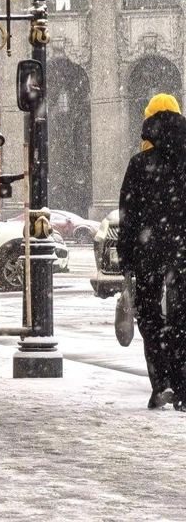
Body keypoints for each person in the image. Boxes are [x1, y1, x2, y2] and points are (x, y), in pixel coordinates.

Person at [117, 93, 186, 411]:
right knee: (182, 317)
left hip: (150, 254)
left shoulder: (140, 163)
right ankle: (184, 387)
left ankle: (163, 384)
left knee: (149, 315)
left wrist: (126, 257)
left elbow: (128, 216)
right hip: (183, 251)